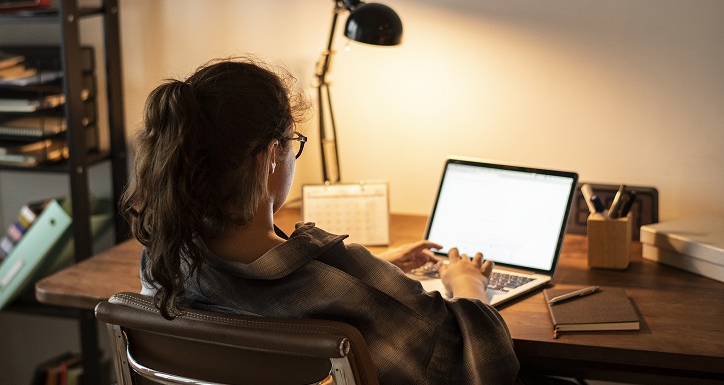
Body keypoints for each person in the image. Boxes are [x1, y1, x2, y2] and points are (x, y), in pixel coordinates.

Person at [120, 56, 520, 384]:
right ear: (270, 155)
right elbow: (479, 363)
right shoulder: (339, 279)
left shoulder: (164, 262)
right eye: (293, 143)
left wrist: (372, 271)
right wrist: (468, 283)